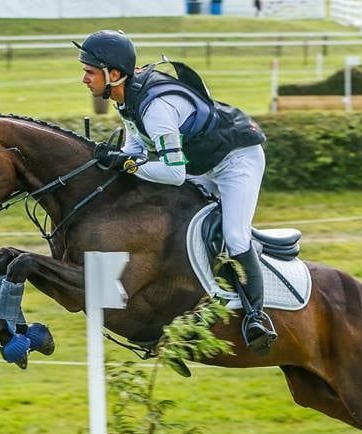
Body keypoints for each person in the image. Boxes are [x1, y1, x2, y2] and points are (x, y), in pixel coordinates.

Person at [74, 30, 276, 353]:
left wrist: (127, 165)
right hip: (204, 164)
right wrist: (115, 159)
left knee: (235, 236)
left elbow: (173, 172)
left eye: (90, 71)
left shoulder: (155, 109)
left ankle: (257, 316)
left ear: (113, 74)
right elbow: (135, 148)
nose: (84, 78)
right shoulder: (127, 99)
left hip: (238, 160)